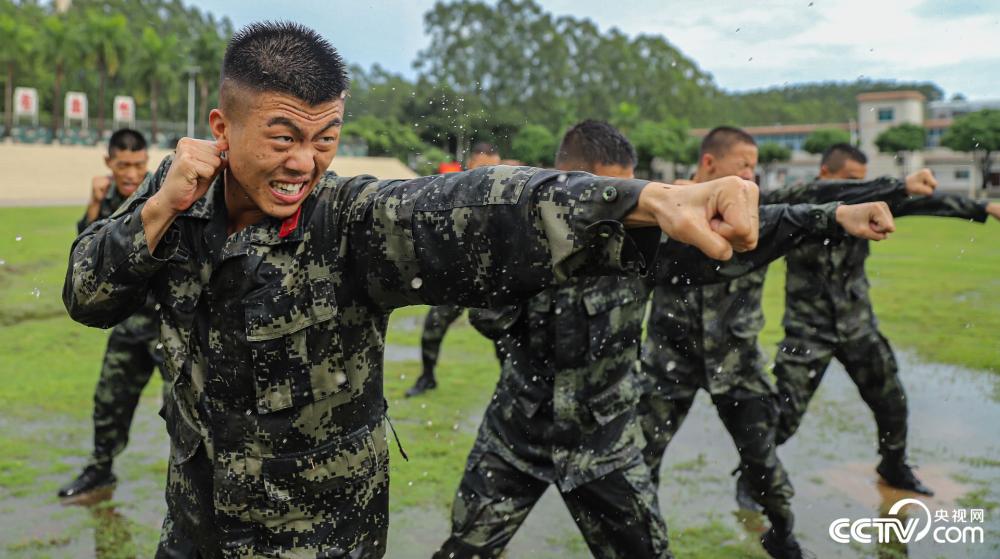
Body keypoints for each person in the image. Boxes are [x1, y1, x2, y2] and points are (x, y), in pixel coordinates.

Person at [64, 22, 763, 558]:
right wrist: (156, 210)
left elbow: (482, 205)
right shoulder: (176, 200)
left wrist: (642, 201)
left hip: (323, 541)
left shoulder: (350, 223)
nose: (303, 162)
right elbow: (87, 295)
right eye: (281, 138)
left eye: (325, 137)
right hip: (195, 530)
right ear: (221, 127)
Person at [435, 120, 897, 559]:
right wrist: (512, 259)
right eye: (603, 195)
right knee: (464, 550)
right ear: (567, 182)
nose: (617, 211)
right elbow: (489, 323)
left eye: (627, 196)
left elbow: (752, 230)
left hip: (605, 447)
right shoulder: (525, 235)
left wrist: (835, 216)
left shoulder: (641, 240)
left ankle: (784, 535)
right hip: (516, 436)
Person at [637, 126, 928, 559]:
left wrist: (896, 190)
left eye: (755, 166)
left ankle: (784, 541)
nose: (752, 174)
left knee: (766, 470)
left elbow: (812, 199)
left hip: (737, 368)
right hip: (668, 365)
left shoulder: (758, 207)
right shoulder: (661, 208)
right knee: (640, 465)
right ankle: (643, 546)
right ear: (710, 164)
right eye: (745, 165)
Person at [772, 143, 1000, 496]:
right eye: (851, 180)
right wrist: (895, 184)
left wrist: (981, 206)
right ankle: (754, 476)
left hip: (857, 325)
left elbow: (925, 203)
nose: (862, 189)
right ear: (826, 174)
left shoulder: (871, 201)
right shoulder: (801, 200)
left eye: (863, 182)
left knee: (891, 402)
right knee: (782, 419)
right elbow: (833, 194)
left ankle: (893, 466)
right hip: (807, 331)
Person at [58, 129, 166, 503]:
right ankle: (100, 468)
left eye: (138, 164)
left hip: (171, 328)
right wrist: (93, 203)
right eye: (123, 165)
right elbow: (87, 255)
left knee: (186, 409)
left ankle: (200, 487)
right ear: (109, 163)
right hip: (131, 324)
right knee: (109, 400)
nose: (132, 173)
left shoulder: (160, 193)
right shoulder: (105, 198)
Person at [406, 142, 502, 397]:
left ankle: (510, 386)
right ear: (471, 163)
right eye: (483, 168)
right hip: (459, 276)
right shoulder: (454, 189)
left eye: (493, 168)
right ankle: (427, 378)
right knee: (432, 329)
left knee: (503, 335)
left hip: (491, 278)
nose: (488, 174)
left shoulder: (504, 194)